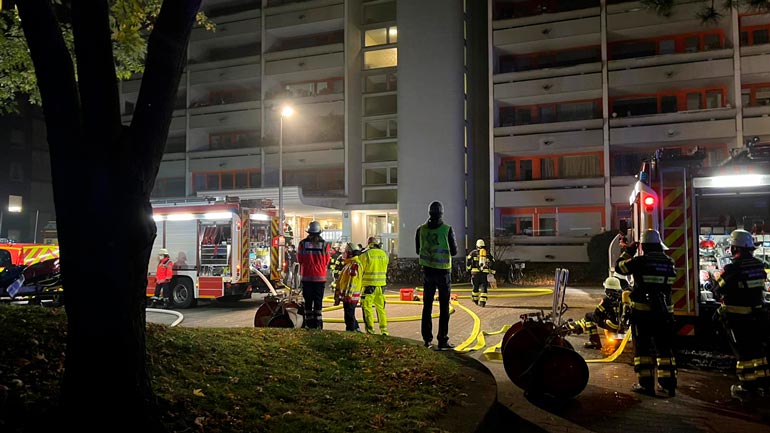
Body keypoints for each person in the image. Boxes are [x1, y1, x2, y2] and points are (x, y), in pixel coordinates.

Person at [615, 229, 677, 397]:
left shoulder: (640, 261)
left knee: (643, 350)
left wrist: (628, 251)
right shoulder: (669, 262)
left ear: (643, 246)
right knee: (665, 349)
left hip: (642, 313)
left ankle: (646, 385)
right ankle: (668, 385)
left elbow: (619, 267)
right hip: (665, 313)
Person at [713, 229, 770, 400]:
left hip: (738, 318)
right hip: (758, 315)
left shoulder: (732, 269)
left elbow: (717, 289)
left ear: (735, 248)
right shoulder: (759, 265)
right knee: (758, 351)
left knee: (743, 353)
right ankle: (764, 384)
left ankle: (747, 386)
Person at [415, 201, 458, 350]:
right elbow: (454, 251)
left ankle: (427, 339)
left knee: (427, 307)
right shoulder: (447, 229)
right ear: (441, 213)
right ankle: (442, 340)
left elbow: (417, 250)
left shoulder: (421, 230)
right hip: (443, 273)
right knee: (444, 308)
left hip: (427, 272)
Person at [565, 277, 625, 350]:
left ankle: (594, 342)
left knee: (589, 316)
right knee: (591, 318)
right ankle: (579, 325)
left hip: (611, 325)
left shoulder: (606, 300)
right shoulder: (623, 297)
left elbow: (597, 312)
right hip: (621, 326)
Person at [297, 221, 331, 329]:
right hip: (320, 278)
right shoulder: (325, 244)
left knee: (308, 301)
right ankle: (318, 323)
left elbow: (300, 259)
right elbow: (327, 260)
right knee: (318, 301)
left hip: (306, 276)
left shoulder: (302, 244)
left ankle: (308, 323)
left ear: (309, 232)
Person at [359, 236, 389, 335]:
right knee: (381, 308)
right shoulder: (384, 254)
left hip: (369, 286)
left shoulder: (366, 254)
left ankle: (370, 330)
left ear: (369, 243)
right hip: (381, 286)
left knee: (367, 308)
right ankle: (384, 330)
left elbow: (360, 270)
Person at [336, 243, 363, 332]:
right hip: (348, 296)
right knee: (349, 315)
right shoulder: (349, 264)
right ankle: (356, 329)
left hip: (350, 297)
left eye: (346, 252)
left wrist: (348, 295)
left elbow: (352, 282)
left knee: (349, 316)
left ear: (350, 253)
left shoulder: (354, 265)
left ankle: (351, 332)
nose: (344, 254)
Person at [466, 239, 496, 307]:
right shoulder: (487, 253)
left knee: (475, 287)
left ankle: (475, 300)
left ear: (477, 245)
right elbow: (493, 261)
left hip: (475, 274)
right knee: (483, 287)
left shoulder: (472, 253)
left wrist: (468, 269)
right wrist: (493, 271)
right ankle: (482, 302)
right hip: (483, 273)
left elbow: (468, 261)